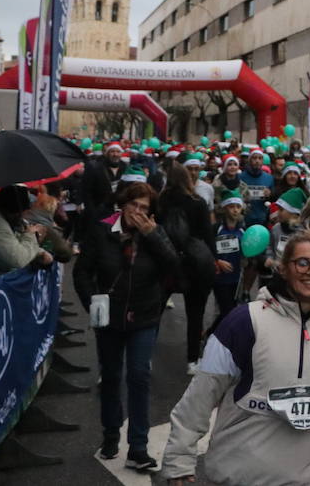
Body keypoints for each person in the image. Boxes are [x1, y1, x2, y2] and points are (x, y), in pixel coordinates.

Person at [163, 231, 310, 486]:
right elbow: (201, 396)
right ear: (283, 269)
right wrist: (179, 461)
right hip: (242, 475)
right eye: (302, 262)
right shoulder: (243, 322)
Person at [74, 180, 181, 470]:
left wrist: (153, 235)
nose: (138, 211)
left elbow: (173, 267)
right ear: (123, 204)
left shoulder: (154, 233)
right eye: (134, 204)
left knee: (138, 376)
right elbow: (82, 273)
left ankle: (138, 446)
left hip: (145, 317)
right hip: (109, 318)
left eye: (144, 208)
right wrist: (92, 305)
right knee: (110, 377)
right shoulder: (103, 231)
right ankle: (110, 435)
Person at [159, 162, 216, 374]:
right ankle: (192, 360)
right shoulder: (197, 202)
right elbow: (207, 234)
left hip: (166, 260)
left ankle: (146, 357)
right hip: (195, 263)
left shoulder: (161, 201)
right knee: (196, 313)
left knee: (155, 310)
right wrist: (214, 259)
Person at [207, 190, 245, 338]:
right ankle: (212, 335)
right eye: (231, 206)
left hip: (236, 278)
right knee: (227, 311)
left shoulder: (243, 229)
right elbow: (207, 249)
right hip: (219, 279)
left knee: (230, 310)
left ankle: (213, 335)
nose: (235, 210)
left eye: (238, 206)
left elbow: (247, 250)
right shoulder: (216, 228)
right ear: (224, 208)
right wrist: (217, 261)